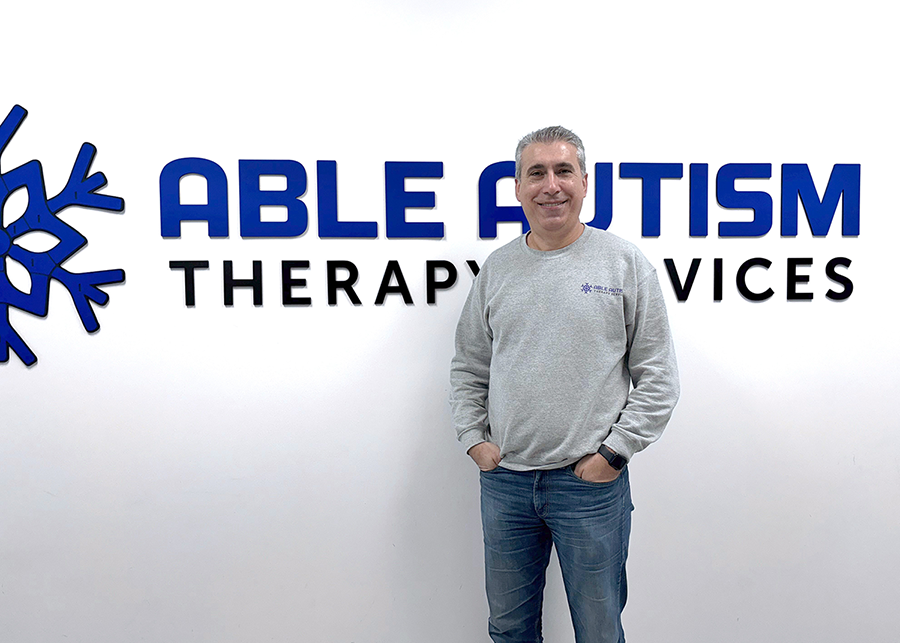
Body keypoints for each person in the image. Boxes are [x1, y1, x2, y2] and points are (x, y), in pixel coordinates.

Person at [450, 126, 679, 643]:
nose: (550, 185)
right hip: (506, 484)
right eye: (536, 173)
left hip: (589, 490)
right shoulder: (499, 268)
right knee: (509, 629)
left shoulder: (623, 263)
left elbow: (658, 376)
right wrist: (476, 441)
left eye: (562, 171)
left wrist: (612, 456)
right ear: (517, 187)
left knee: (598, 631)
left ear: (584, 182)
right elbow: (469, 366)